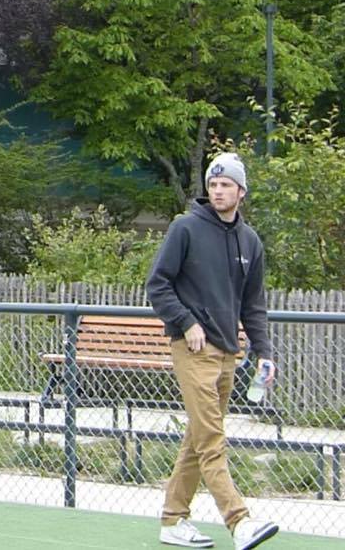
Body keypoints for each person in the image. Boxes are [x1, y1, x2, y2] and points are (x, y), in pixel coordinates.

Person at [146, 152, 278, 550]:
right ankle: (239, 522)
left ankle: (173, 520)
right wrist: (187, 323)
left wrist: (263, 351)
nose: (217, 191)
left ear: (241, 192)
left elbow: (252, 304)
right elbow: (158, 285)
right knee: (211, 438)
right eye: (213, 184)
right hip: (193, 350)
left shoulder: (249, 241)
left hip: (228, 354)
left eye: (226, 185)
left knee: (197, 439)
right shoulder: (185, 228)